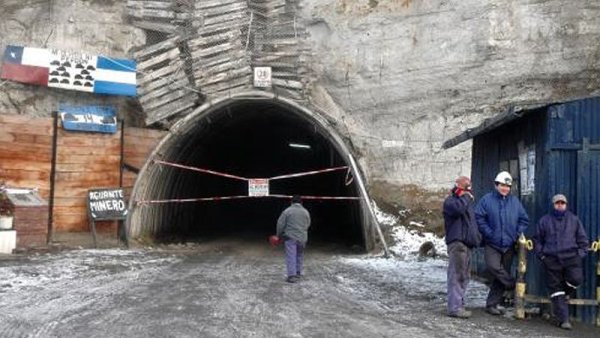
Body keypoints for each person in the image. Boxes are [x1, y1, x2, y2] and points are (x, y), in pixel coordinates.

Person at [474, 171, 529, 315]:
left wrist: (516, 233)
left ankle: (492, 304)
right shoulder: (486, 200)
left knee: (500, 275)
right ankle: (511, 284)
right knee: (494, 267)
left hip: (509, 245)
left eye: (508, 186)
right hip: (492, 243)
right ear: (496, 185)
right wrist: (488, 233)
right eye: (502, 185)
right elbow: (478, 217)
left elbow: (524, 219)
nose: (505, 188)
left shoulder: (515, 202)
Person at [532, 194, 589, 330]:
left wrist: (579, 254)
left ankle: (566, 293)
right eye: (557, 203)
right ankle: (564, 320)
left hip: (571, 258)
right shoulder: (544, 221)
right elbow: (537, 240)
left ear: (566, 205)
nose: (560, 205)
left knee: (576, 280)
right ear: (553, 205)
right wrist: (542, 256)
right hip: (551, 259)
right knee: (556, 289)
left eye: (562, 203)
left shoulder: (574, 220)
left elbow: (583, 240)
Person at [443, 176, 481, 318]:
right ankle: (455, 307)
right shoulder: (451, 202)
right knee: (457, 275)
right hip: (457, 243)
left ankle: (458, 304)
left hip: (466, 244)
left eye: (469, 188)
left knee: (464, 276)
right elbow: (458, 210)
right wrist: (465, 197)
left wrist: (477, 238)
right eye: (466, 188)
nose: (469, 192)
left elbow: (471, 224)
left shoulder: (466, 204)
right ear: (457, 187)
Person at [276, 195, 311, 283]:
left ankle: (291, 276)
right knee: (299, 255)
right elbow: (308, 224)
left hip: (290, 237)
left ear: (291, 202)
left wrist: (279, 235)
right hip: (302, 238)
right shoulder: (306, 212)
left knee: (291, 255)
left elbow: (280, 224)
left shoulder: (287, 211)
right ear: (301, 202)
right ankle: (298, 273)